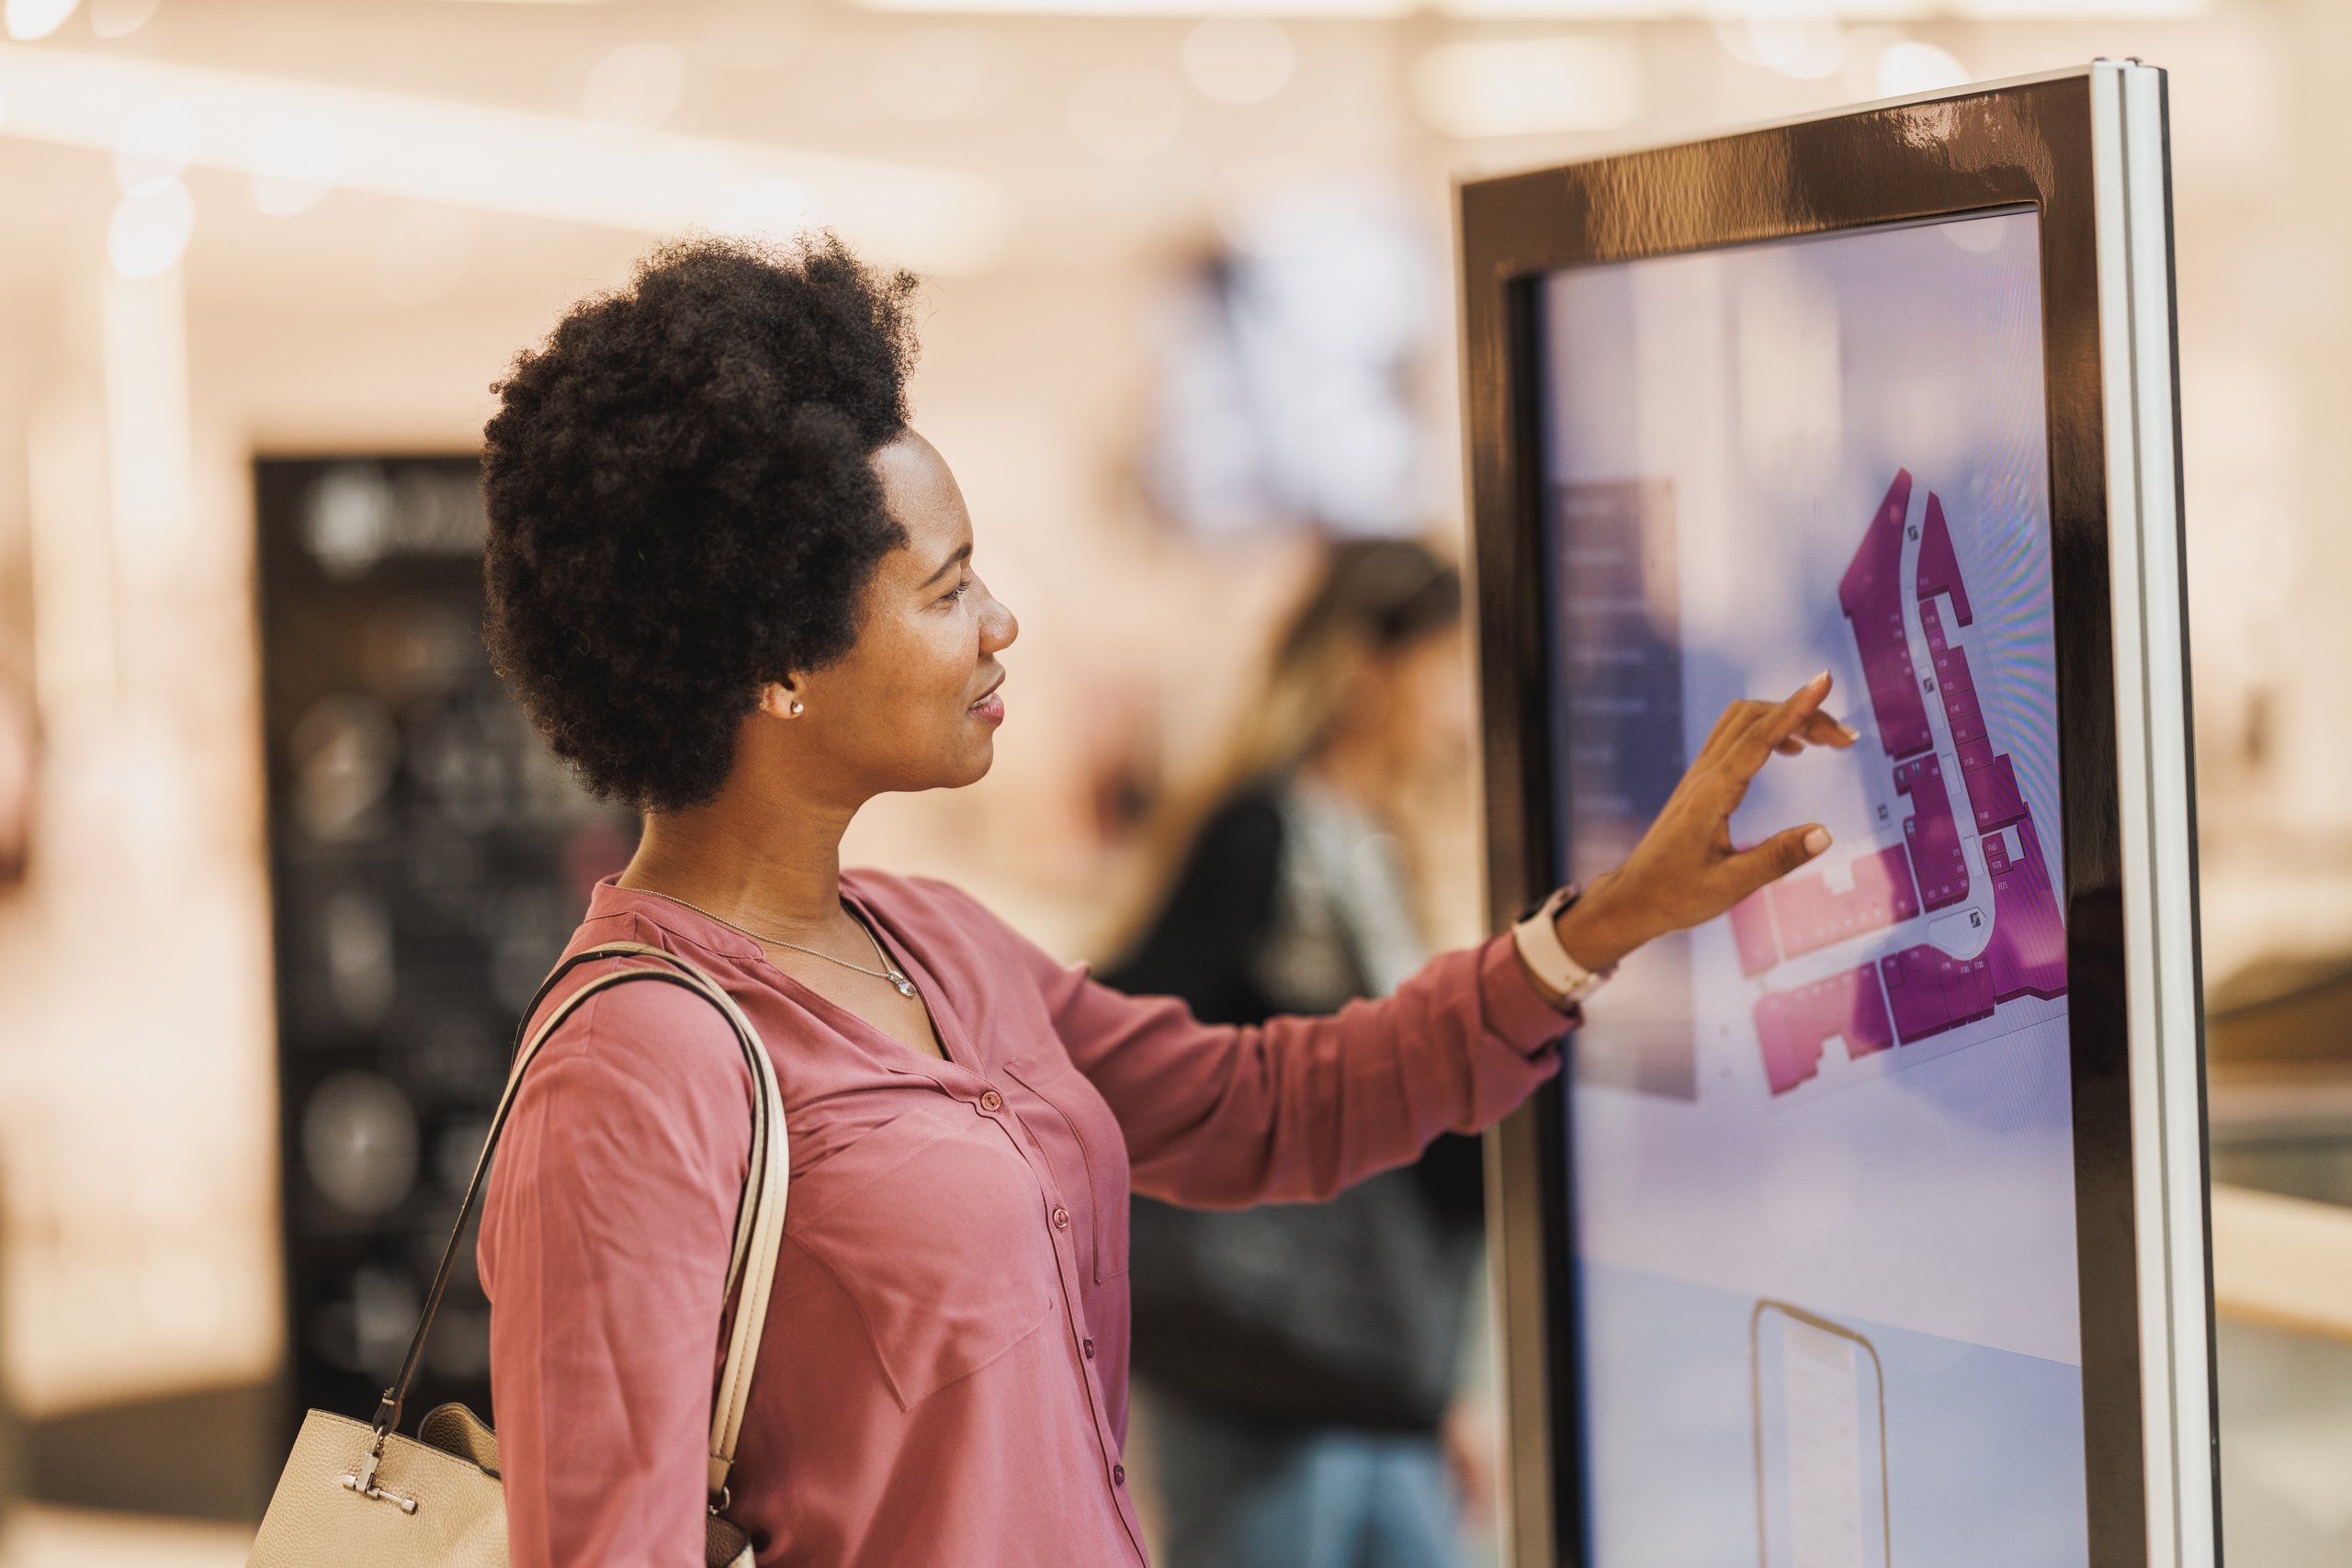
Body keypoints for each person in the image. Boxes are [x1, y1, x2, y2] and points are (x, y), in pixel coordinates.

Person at [472, 234, 1853, 1568]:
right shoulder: (630, 1073)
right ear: (781, 658)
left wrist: (1601, 923)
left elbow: (1262, 1105)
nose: (1003, 620)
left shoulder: (937, 944)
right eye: (949, 587)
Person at [1102, 538, 1495, 1568]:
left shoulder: (1370, 841)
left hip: (1367, 1358)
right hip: (1261, 1353)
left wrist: (1452, 1383)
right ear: (1370, 670)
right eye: (1449, 670)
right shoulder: (1265, 833)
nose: (1464, 707)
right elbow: (1137, 1040)